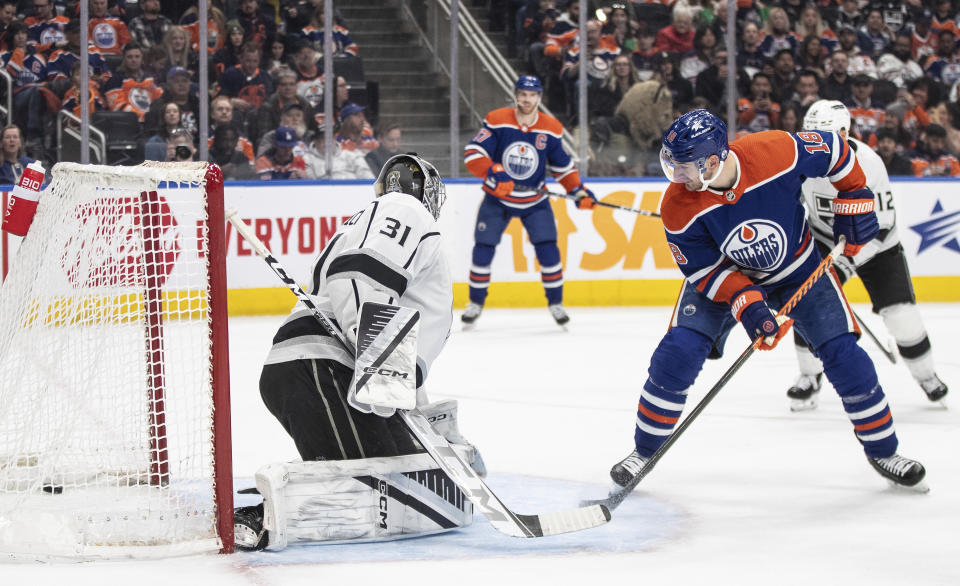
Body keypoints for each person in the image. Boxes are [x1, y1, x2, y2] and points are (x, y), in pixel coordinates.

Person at [608, 109, 928, 492]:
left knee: (846, 355)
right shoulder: (677, 206)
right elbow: (705, 272)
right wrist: (748, 304)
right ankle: (643, 452)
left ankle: (884, 450)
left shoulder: (775, 150)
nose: (677, 178)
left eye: (684, 168)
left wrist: (855, 194)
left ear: (713, 160)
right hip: (725, 278)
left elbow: (836, 151)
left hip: (798, 270)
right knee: (677, 353)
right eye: (671, 166)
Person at [237, 153, 479, 550]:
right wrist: (374, 352)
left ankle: (276, 502)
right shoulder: (404, 207)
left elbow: (400, 331)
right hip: (323, 366)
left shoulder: (387, 219)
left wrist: (413, 411)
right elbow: (361, 270)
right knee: (380, 487)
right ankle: (260, 518)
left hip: (324, 370)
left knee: (406, 476)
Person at [784, 100, 948, 409]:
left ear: (844, 134)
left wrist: (842, 265)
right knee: (808, 305)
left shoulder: (870, 164)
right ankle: (809, 376)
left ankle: (927, 376)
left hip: (877, 245)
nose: (814, 147)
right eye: (810, 137)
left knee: (901, 316)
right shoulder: (797, 162)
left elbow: (881, 227)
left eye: (824, 138)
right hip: (823, 239)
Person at [461, 75, 596, 327]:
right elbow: (473, 153)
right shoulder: (497, 120)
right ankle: (475, 303)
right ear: (515, 95)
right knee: (483, 249)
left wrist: (578, 190)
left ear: (539, 97)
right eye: (522, 94)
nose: (527, 99)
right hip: (497, 197)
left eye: (532, 95)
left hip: (535, 200)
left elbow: (563, 167)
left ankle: (556, 303)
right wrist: (493, 170)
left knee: (548, 251)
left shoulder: (550, 127)